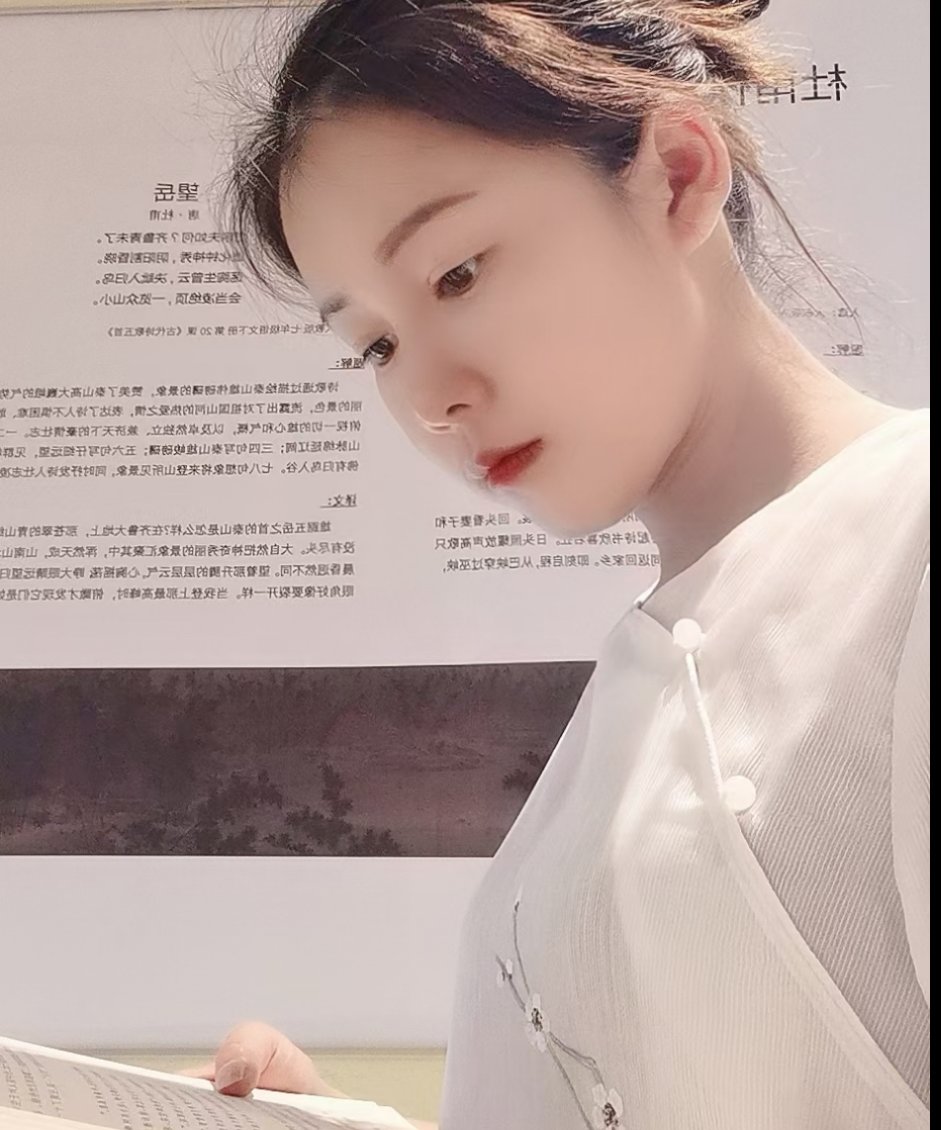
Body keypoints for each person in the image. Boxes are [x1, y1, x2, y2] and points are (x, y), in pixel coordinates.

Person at [186, 1, 930, 1126]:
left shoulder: (904, 541)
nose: (427, 397)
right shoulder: (625, 699)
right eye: (375, 343)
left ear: (675, 174)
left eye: (455, 274)